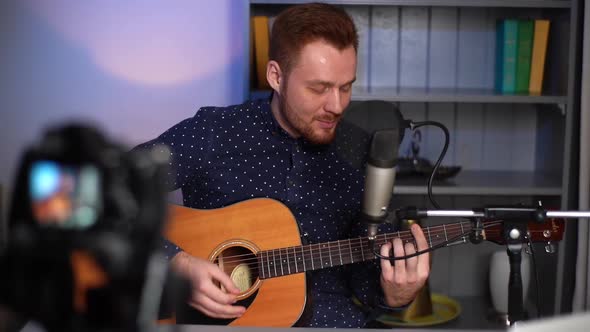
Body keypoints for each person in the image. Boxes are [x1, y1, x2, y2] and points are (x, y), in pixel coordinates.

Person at [136, 3, 430, 328]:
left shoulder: (357, 150)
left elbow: (367, 272)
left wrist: (394, 294)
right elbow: (109, 188)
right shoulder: (214, 132)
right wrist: (176, 263)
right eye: (319, 88)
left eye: (345, 87)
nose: (336, 105)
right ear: (276, 75)